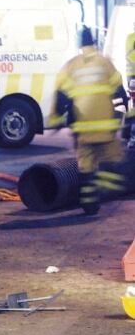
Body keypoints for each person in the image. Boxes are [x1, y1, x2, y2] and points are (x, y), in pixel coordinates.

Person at [48, 26, 128, 215]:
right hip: (106, 127)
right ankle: (105, 187)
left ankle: (89, 205)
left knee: (86, 167)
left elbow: (61, 97)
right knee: (112, 162)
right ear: (94, 42)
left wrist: (57, 120)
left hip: (83, 129)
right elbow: (119, 91)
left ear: (79, 44)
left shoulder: (71, 66)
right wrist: (124, 115)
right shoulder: (105, 63)